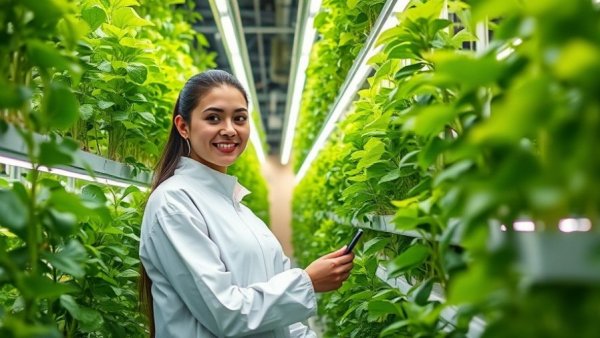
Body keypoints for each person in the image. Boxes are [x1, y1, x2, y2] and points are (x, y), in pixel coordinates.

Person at [138, 70, 355, 338]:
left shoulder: (245, 214)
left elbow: (286, 325)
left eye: (239, 118)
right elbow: (225, 314)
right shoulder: (173, 203)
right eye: (213, 117)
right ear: (183, 126)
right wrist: (308, 282)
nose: (229, 130)